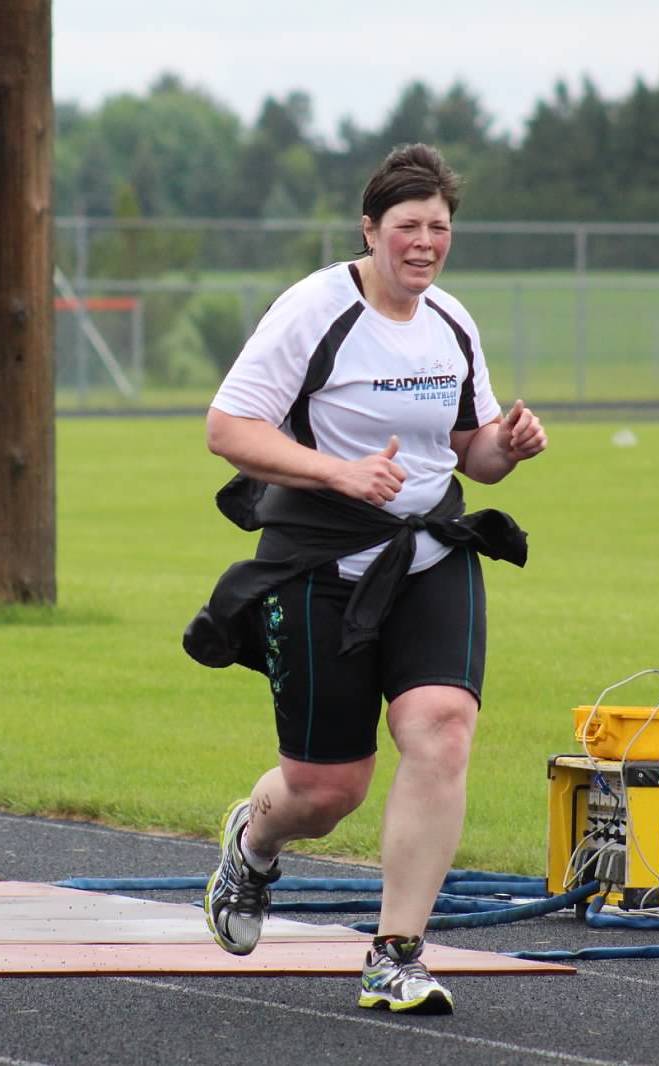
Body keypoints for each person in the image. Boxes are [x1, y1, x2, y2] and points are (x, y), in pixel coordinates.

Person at [188, 142, 547, 1015]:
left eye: (440, 228)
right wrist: (338, 472)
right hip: (321, 561)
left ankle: (396, 954)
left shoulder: (451, 321)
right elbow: (228, 428)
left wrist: (507, 446)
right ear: (370, 228)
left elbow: (470, 451)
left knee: (443, 727)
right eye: (408, 226)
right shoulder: (315, 309)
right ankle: (254, 844)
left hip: (430, 553)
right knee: (327, 790)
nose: (425, 243)